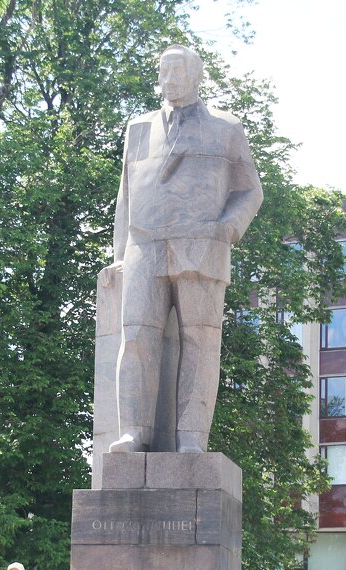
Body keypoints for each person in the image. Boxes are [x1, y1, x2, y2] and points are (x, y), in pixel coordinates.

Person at [107, 44, 263, 455]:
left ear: (196, 77)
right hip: (145, 243)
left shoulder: (226, 128)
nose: (169, 80)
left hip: (201, 245)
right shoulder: (138, 127)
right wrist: (119, 251)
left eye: (177, 73)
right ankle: (133, 432)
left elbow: (250, 190)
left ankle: (192, 438)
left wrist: (226, 228)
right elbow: (126, 193)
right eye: (164, 72)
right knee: (136, 337)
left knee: (200, 341)